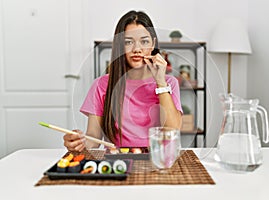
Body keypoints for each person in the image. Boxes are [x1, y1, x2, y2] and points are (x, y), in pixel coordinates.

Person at [64, 10, 182, 152]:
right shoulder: (101, 85)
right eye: (128, 42)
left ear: (153, 44)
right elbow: (93, 137)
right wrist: (80, 142)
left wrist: (160, 82)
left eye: (144, 41)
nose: (137, 49)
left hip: (157, 161)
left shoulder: (169, 83)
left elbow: (173, 130)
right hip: (118, 163)